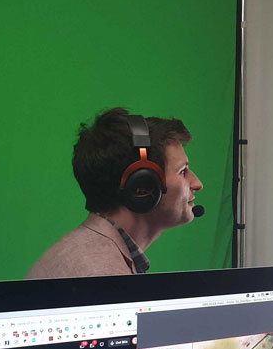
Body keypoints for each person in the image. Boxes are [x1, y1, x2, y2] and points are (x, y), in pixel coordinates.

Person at [26, 107, 203, 279]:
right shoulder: (103, 274)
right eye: (182, 171)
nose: (197, 184)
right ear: (143, 185)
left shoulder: (86, 251)